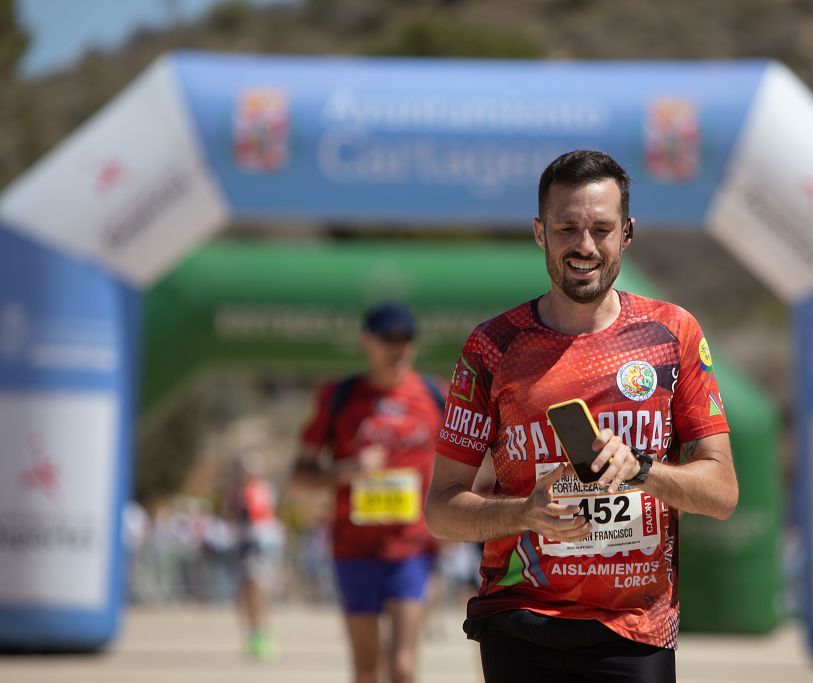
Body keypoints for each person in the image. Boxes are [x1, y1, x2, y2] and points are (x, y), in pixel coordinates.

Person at [424, 149, 739, 682]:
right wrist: (526, 512)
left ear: (628, 233)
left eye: (601, 228)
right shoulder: (490, 347)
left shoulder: (673, 333)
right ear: (539, 232)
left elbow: (723, 493)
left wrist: (641, 469)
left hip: (635, 625)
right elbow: (441, 508)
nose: (585, 246)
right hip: (520, 616)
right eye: (567, 227)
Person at [291, 302, 445, 683]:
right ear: (367, 341)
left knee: (403, 665)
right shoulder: (340, 396)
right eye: (388, 339)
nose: (398, 349)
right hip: (353, 548)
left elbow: (469, 465)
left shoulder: (434, 396)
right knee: (365, 668)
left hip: (411, 548)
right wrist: (346, 471)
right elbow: (299, 477)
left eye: (406, 339)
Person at [225, 448, 283, 660]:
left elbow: (258, 515)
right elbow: (231, 517)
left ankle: (261, 634)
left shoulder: (261, 489)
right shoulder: (237, 492)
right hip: (243, 544)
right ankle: (252, 633)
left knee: (256, 590)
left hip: (258, 545)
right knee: (245, 593)